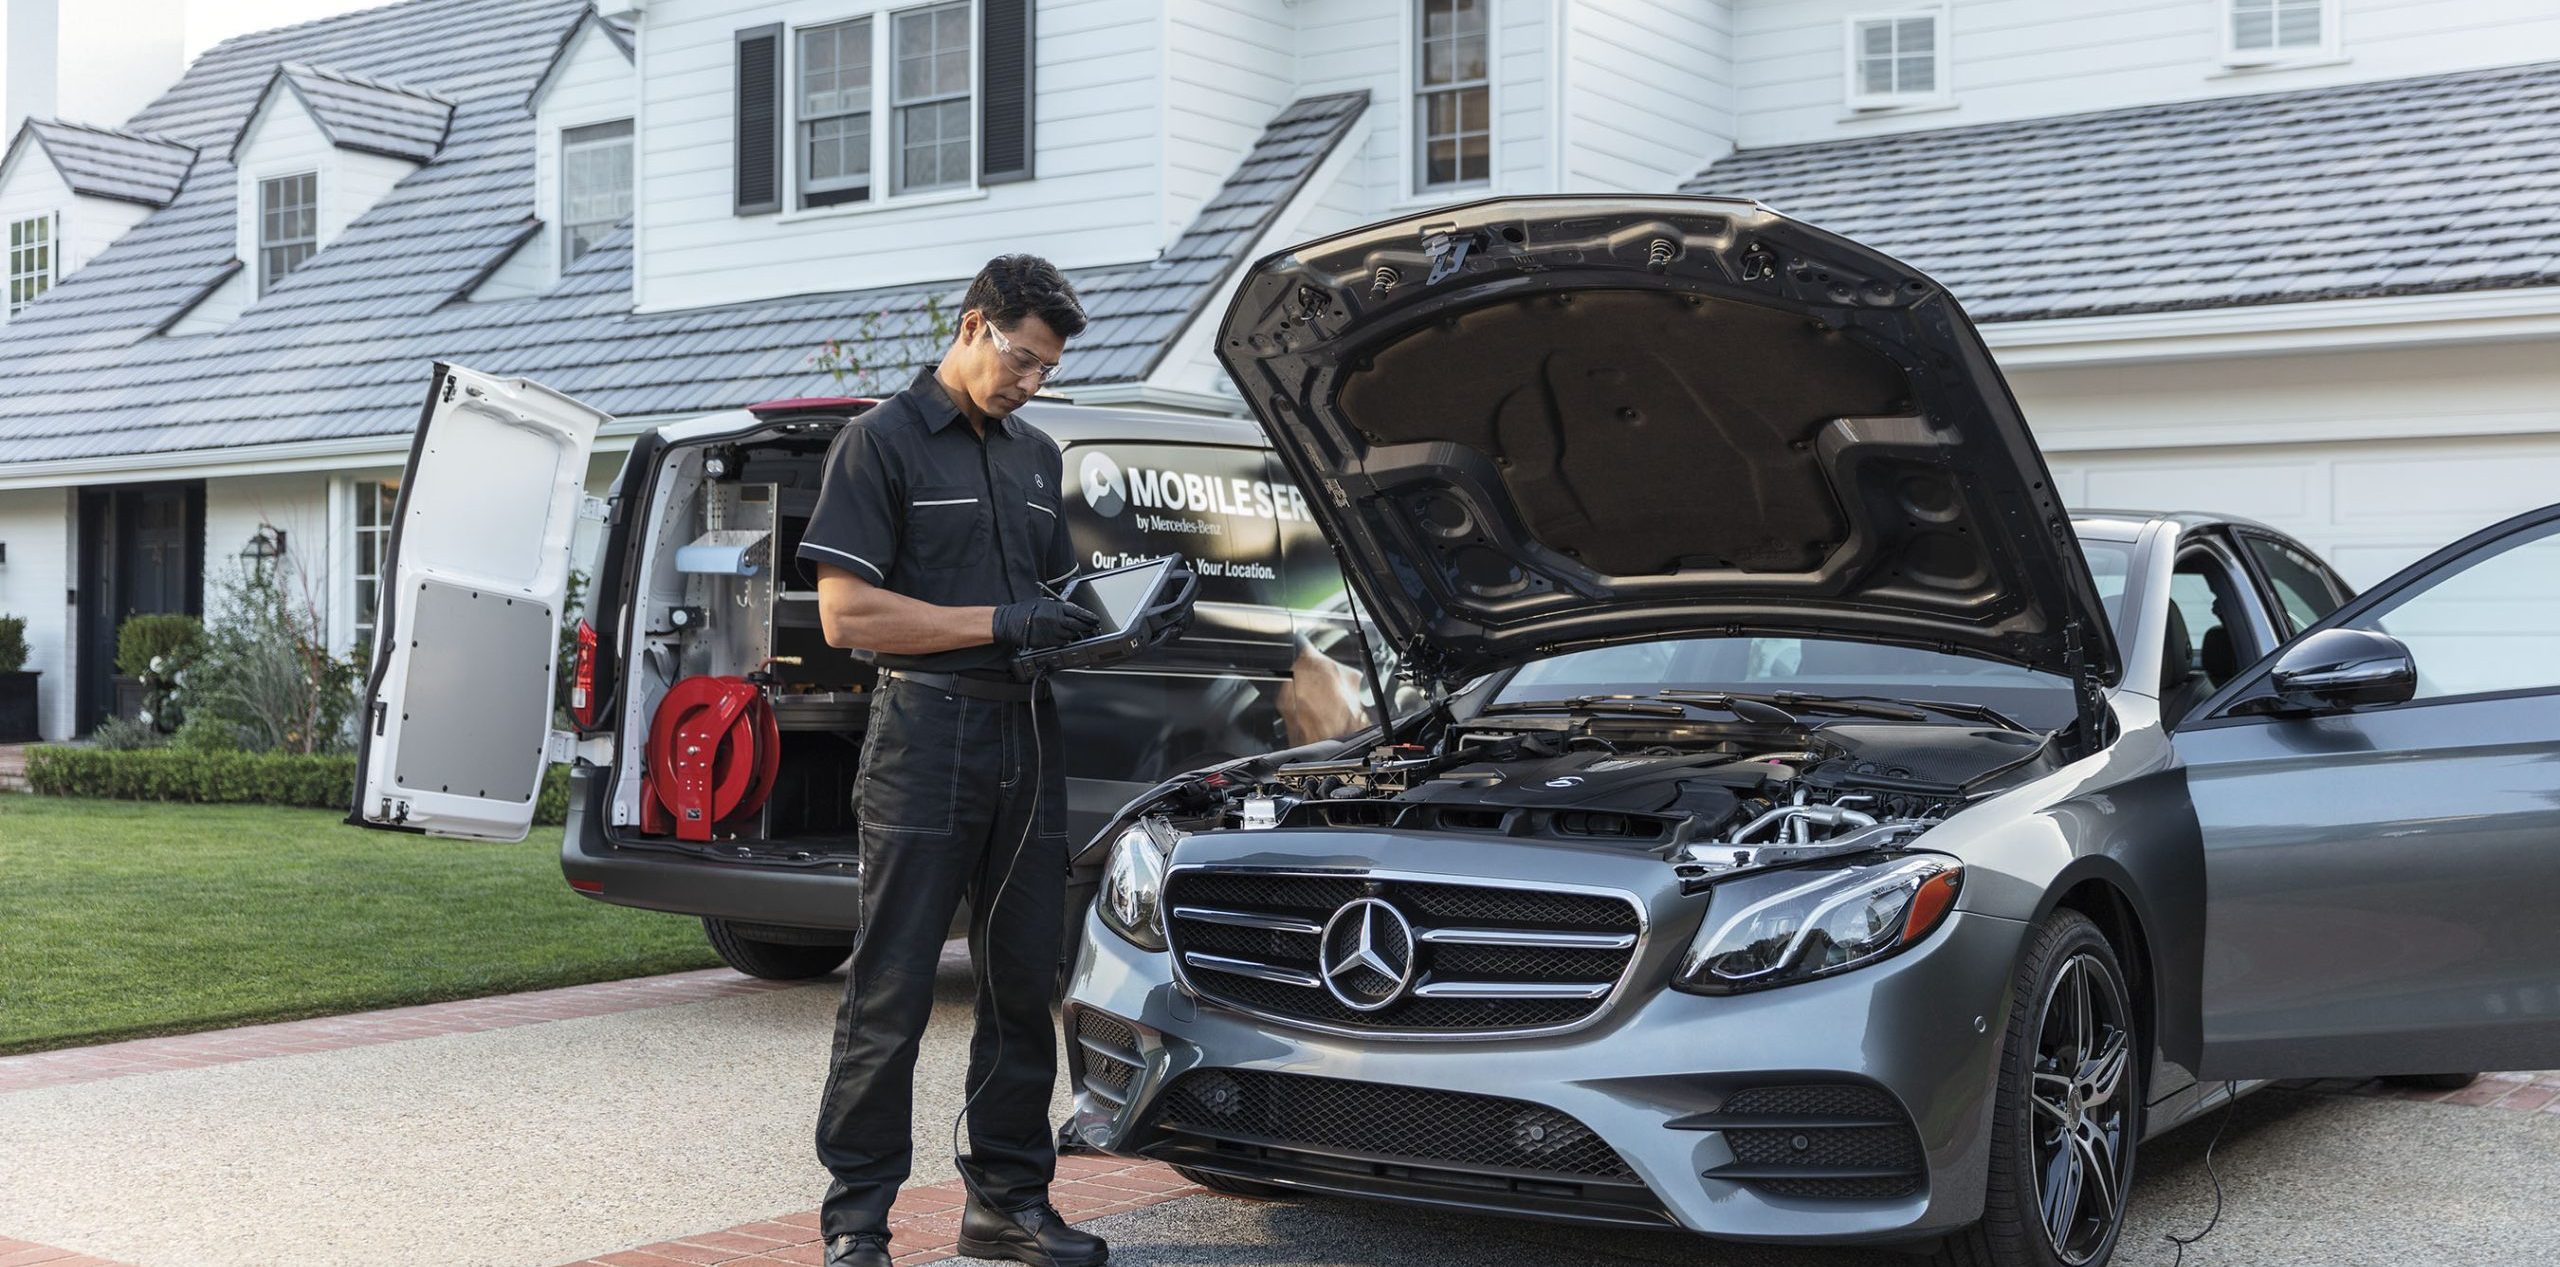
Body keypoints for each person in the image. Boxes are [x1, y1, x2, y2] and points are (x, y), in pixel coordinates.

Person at [796, 254, 1108, 1267]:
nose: (1029, 382)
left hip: (1027, 733)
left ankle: (1007, 1205)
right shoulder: (877, 445)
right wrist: (999, 620)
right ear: (975, 326)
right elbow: (847, 616)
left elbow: (1054, 601)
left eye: (1044, 370)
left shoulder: (1033, 457)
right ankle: (856, 1224)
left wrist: (1116, 615)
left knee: (1025, 981)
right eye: (1020, 359)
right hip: (924, 736)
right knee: (890, 989)